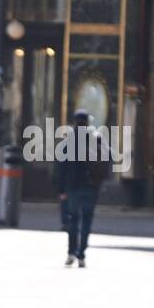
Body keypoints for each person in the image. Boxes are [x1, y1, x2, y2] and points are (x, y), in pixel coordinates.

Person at [55, 109, 106, 268]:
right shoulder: (95, 139)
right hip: (91, 187)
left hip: (72, 188)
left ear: (75, 122)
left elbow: (60, 168)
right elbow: (105, 162)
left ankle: (71, 253)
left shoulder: (68, 141)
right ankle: (82, 254)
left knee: (73, 220)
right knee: (86, 222)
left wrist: (61, 190)